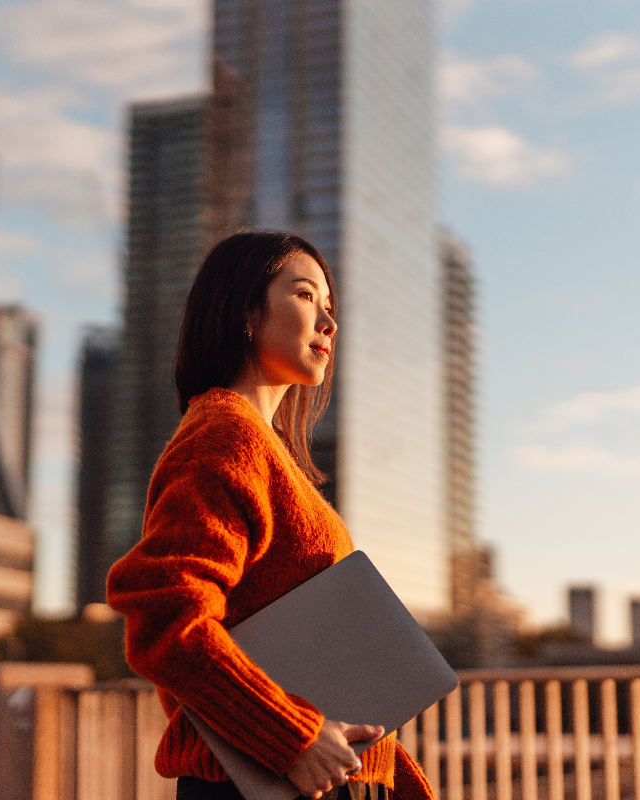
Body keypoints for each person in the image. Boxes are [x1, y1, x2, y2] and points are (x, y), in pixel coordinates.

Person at [107, 231, 433, 800]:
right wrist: (291, 737)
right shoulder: (223, 436)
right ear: (246, 312)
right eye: (306, 296)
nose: (329, 323)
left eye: (330, 307)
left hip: (317, 774)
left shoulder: (265, 448)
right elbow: (166, 618)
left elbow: (326, 666)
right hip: (261, 779)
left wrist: (390, 776)